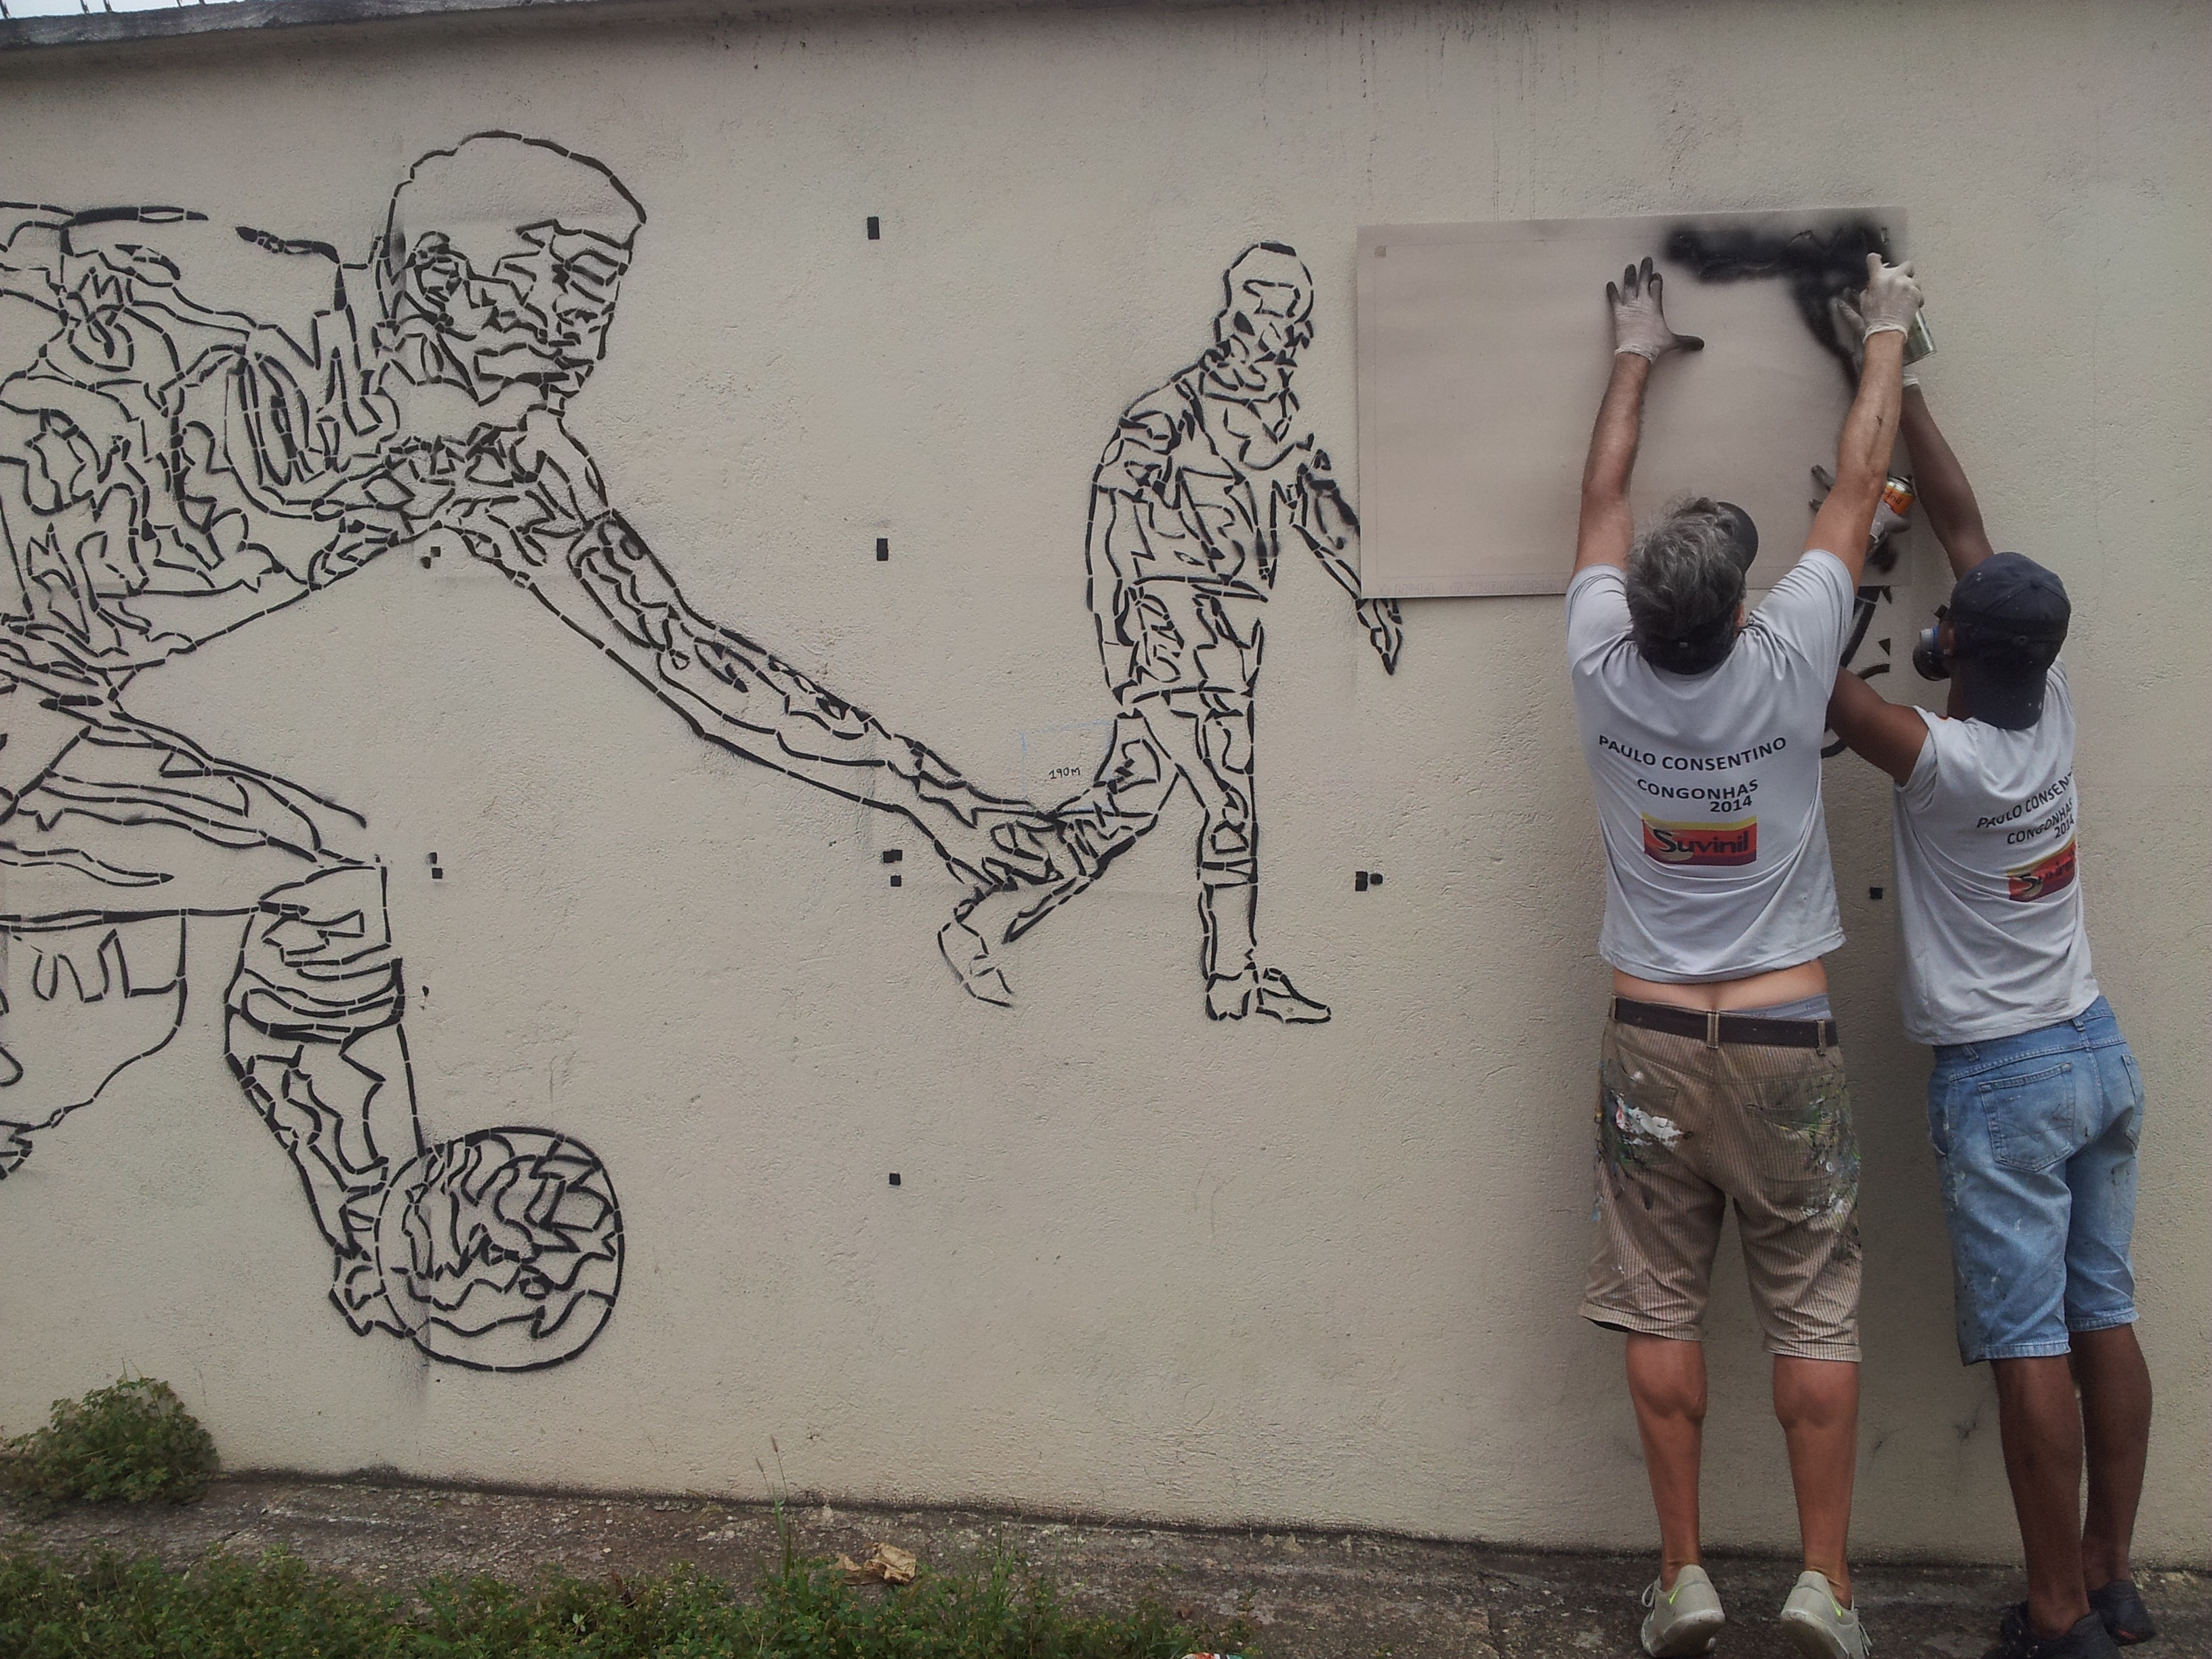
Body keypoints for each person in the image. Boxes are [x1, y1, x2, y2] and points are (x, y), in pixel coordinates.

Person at [0, 134, 1083, 1370]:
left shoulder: (499, 469)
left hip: (46, 697)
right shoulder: (197, 293)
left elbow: (693, 660)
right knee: (156, 977)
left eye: (601, 289)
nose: (587, 327)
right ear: (437, 277)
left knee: (282, 911)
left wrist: (942, 805)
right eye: (562, 280)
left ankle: (384, 1245)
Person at [1566, 251, 1923, 1659]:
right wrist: (1884, 328)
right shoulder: (1785, 658)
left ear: (1641, 611)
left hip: (1650, 1040)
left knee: (1660, 1307)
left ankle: (1683, 1578)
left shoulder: (1598, 664)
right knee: (1811, 1311)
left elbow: (1598, 502)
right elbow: (1858, 479)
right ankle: (1824, 1585)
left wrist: (1634, 346)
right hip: (1784, 1041)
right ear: (1733, 611)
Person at [1825, 380, 2156, 1659]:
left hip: (2007, 1081)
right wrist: (1906, 385)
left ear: (1955, 648)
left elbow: (1813, 681)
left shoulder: (1943, 762)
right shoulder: (2048, 713)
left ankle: (2056, 1616)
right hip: (2092, 1049)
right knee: (2102, 1314)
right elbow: (1966, 529)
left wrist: (1847, 535)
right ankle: (2109, 1574)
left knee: (2029, 1343)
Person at [937, 243, 1405, 1022]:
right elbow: (1110, 529)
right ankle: (1234, 980)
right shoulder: (1166, 414)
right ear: (1236, 315)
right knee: (1230, 801)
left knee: (1124, 805)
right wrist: (1122, 649)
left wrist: (1373, 591)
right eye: (1265, 308)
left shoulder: (1284, 427)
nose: (1281, 330)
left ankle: (979, 926)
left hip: (1232, 644)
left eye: (1292, 313)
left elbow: (1326, 517)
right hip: (1171, 638)